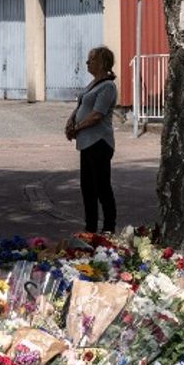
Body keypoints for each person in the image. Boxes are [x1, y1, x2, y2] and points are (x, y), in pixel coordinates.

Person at [66, 46, 118, 234]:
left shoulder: (108, 86)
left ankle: (109, 227)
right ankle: (90, 227)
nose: (87, 63)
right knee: (87, 187)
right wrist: (71, 121)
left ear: (103, 63)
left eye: (92, 59)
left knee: (101, 186)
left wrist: (77, 128)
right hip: (86, 142)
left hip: (100, 142)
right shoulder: (93, 84)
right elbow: (81, 105)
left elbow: (97, 115)